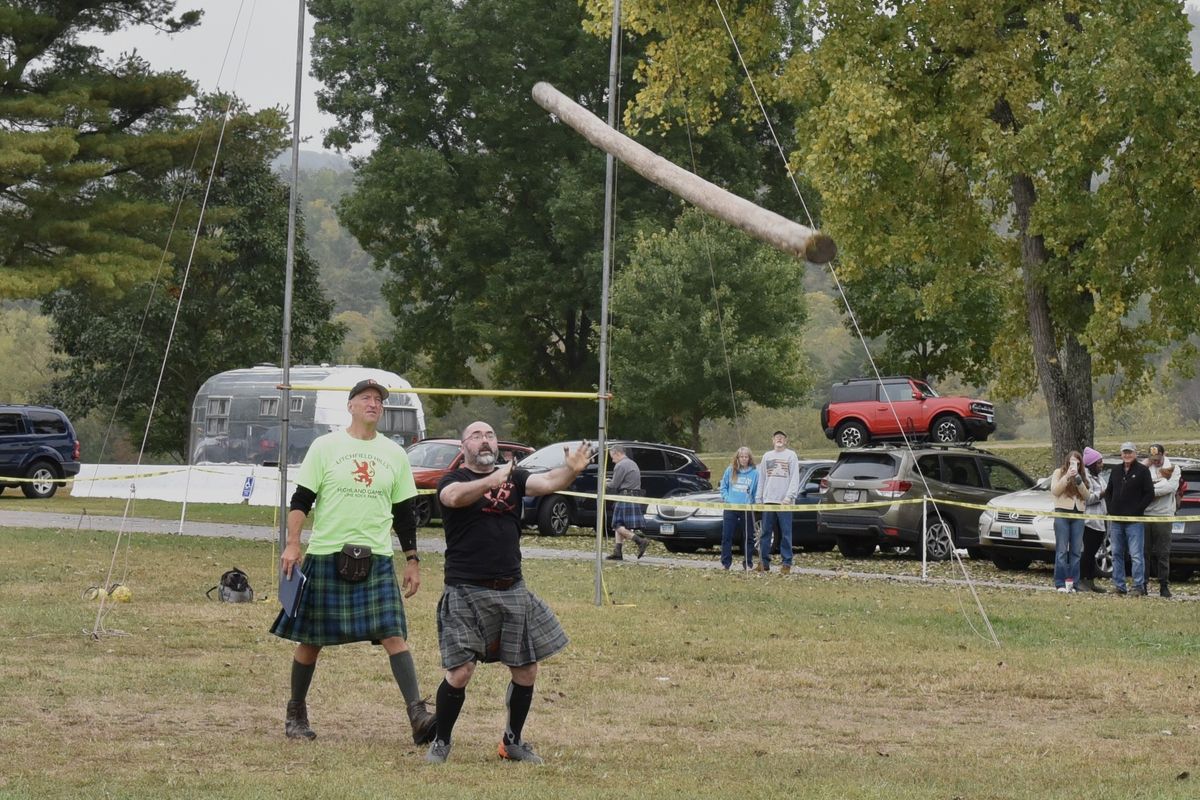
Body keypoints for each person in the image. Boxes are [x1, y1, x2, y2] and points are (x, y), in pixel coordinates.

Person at [271, 378, 436, 745]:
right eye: (366, 398)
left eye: (378, 400)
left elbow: (404, 513)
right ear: (351, 406)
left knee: (394, 634)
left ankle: (418, 715)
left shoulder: (394, 453)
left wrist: (412, 559)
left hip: (376, 557)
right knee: (311, 640)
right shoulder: (326, 446)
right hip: (328, 552)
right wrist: (293, 544)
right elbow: (301, 499)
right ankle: (295, 713)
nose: (373, 404)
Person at [427, 422, 592, 765]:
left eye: (489, 435)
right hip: (466, 587)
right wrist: (494, 478)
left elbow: (548, 483)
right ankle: (441, 741)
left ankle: (512, 743)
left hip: (511, 586)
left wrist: (571, 471)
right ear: (464, 445)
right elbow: (454, 498)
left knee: (526, 669)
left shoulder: (515, 477)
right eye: (476, 435)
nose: (484, 440)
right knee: (460, 671)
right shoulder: (452, 479)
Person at [1102, 442, 1154, 596]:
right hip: (1116, 521)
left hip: (1135, 522)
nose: (1127, 455)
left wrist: (1138, 510)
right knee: (1117, 553)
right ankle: (1119, 586)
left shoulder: (1143, 471)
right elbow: (1109, 491)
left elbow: (1149, 494)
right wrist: (1111, 509)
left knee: (1136, 555)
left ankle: (1138, 586)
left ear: (1135, 454)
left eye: (1130, 452)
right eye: (1125, 452)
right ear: (1121, 454)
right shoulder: (1116, 470)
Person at [755, 430, 800, 575]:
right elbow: (761, 478)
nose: (779, 439)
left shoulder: (791, 455)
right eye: (776, 437)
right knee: (765, 532)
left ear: (785, 441)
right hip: (768, 500)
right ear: (772, 440)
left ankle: (786, 563)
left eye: (782, 437)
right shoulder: (767, 456)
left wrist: (789, 497)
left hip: (784, 502)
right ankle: (763, 562)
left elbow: (794, 478)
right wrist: (759, 497)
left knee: (786, 533)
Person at [1049, 450, 1089, 592]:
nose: (1074, 465)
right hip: (1062, 514)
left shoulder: (1083, 475)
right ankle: (1060, 583)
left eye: (1077, 463)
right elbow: (1055, 490)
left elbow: (1086, 495)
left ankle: (1073, 584)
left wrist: (1078, 479)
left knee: (1076, 552)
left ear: (1080, 464)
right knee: (1061, 550)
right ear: (1067, 462)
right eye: (1071, 462)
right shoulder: (1058, 472)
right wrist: (1067, 476)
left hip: (1078, 515)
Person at [1143, 443, 1180, 598]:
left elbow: (1170, 488)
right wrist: (1154, 487)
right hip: (1145, 514)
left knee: (1163, 553)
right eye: (1153, 459)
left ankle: (1164, 585)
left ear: (1164, 454)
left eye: (1158, 458)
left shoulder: (1173, 468)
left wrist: (1150, 490)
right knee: (1144, 552)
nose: (1156, 461)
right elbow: (1138, 486)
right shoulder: (1145, 468)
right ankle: (1142, 584)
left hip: (1164, 515)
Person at [605, 444, 649, 561]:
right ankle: (617, 552)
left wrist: (605, 483)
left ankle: (640, 541)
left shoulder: (620, 465)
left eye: (612, 457)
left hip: (625, 497)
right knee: (620, 524)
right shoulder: (632, 463)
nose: (612, 460)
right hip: (632, 496)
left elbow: (614, 485)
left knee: (616, 525)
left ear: (617, 453)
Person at [719, 447, 759, 571]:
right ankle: (726, 563)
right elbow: (723, 487)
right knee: (727, 536)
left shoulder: (755, 473)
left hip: (746, 508)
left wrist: (753, 501)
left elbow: (757, 490)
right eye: (741, 456)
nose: (744, 459)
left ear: (749, 458)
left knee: (748, 536)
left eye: (746, 456)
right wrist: (727, 498)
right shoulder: (730, 470)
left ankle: (748, 562)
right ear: (737, 458)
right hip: (730, 508)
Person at [1078, 447, 1108, 593]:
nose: (1102, 465)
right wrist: (1103, 494)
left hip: (1100, 521)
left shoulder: (1100, 478)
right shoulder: (1086, 478)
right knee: (1087, 553)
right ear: (1091, 464)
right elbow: (1088, 498)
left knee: (1093, 554)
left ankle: (1090, 581)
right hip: (1089, 521)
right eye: (1099, 462)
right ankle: (1081, 580)